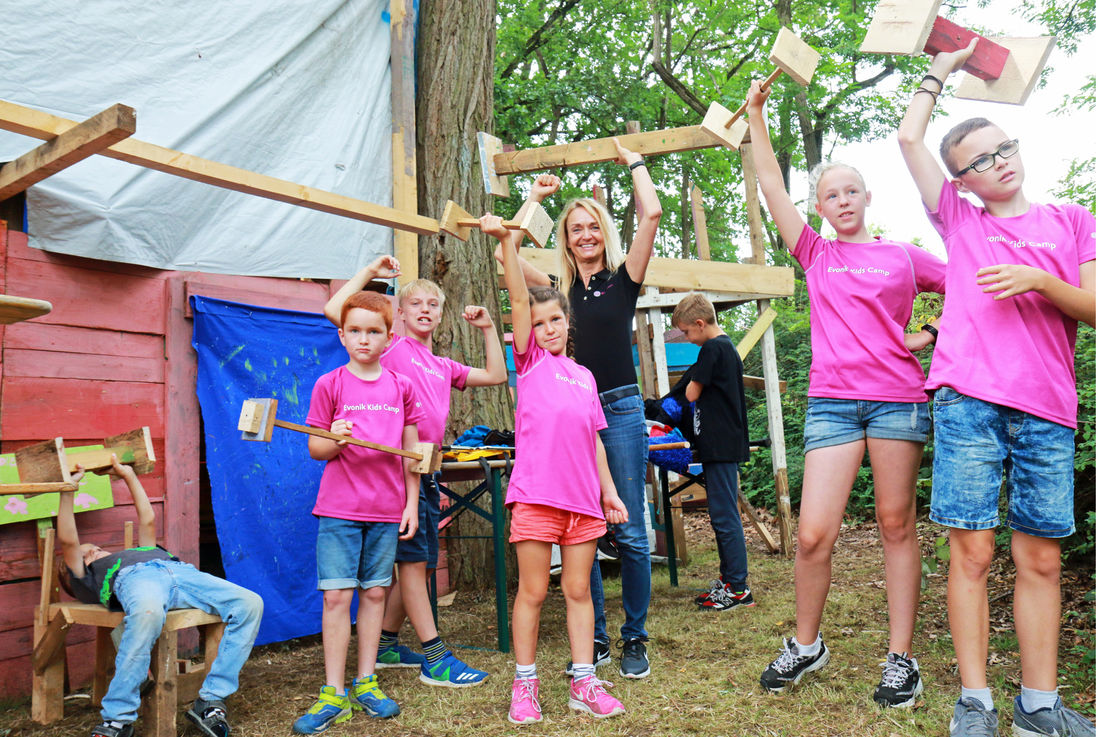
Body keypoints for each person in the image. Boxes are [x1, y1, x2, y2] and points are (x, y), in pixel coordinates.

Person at [898, 43, 1096, 737]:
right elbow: (907, 137)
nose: (998, 161)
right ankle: (975, 701)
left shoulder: (1072, 221)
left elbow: (1095, 305)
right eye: (979, 160)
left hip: (1047, 408)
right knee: (972, 552)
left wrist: (1041, 282)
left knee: (1039, 556)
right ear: (963, 184)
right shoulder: (962, 222)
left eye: (1002, 146)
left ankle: (1039, 706)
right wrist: (941, 70)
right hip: (968, 402)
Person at [745, 79, 947, 707]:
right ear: (823, 207)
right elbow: (772, 187)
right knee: (812, 534)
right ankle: (807, 645)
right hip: (833, 403)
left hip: (897, 400)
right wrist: (756, 116)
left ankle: (901, 658)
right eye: (830, 194)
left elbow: (966, 283)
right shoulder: (815, 254)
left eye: (851, 190)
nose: (842, 200)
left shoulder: (902, 256)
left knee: (895, 523)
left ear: (866, 196)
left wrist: (931, 332)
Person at [493, 137, 662, 679]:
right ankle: (596, 637)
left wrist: (632, 160)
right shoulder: (558, 290)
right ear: (566, 240)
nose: (586, 235)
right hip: (571, 418)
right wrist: (536, 197)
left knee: (630, 529)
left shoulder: (624, 280)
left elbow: (652, 211)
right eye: (576, 229)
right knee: (580, 527)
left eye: (593, 226)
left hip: (619, 408)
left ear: (603, 234)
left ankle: (634, 636)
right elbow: (509, 256)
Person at [323, 257, 506, 688]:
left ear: (441, 315)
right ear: (399, 315)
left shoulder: (441, 365)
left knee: (417, 564)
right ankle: (435, 656)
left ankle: (386, 644)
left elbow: (498, 374)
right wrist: (370, 271)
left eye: (433, 305)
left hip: (429, 472)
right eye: (415, 304)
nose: (425, 310)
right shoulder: (393, 348)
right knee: (412, 563)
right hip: (398, 470)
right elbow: (337, 310)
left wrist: (488, 329)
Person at [487, 213, 630, 723]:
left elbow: (594, 441)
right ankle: (524, 686)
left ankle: (583, 683)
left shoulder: (584, 377)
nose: (546, 328)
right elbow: (517, 295)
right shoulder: (529, 365)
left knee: (577, 592)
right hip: (536, 498)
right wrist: (510, 239)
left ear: (568, 324)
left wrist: (609, 493)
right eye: (538, 321)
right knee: (532, 591)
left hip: (582, 504)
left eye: (555, 321)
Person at [292, 291, 425, 733]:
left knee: (373, 594)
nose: (363, 339)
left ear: (390, 337)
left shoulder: (401, 387)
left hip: (387, 510)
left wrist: (410, 504)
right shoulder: (329, 384)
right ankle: (334, 692)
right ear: (342, 335)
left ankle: (366, 681)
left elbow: (411, 453)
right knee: (336, 596)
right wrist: (335, 438)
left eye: (373, 331)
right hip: (339, 509)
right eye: (355, 331)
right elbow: (316, 449)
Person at [57, 456, 263, 737]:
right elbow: (68, 539)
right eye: (87, 555)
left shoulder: (140, 550)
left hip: (182, 573)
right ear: (77, 574)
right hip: (139, 581)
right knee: (147, 615)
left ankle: (211, 700)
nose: (94, 551)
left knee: (249, 603)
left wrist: (128, 475)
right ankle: (117, 720)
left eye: (95, 547)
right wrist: (67, 492)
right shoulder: (95, 576)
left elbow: (148, 518)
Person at [671, 292, 754, 612]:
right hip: (723, 443)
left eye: (688, 332)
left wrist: (688, 382)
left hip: (720, 445)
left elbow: (691, 392)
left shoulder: (713, 349)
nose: (688, 339)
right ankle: (729, 580)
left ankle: (738, 587)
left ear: (701, 324)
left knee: (724, 516)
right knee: (723, 515)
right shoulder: (727, 348)